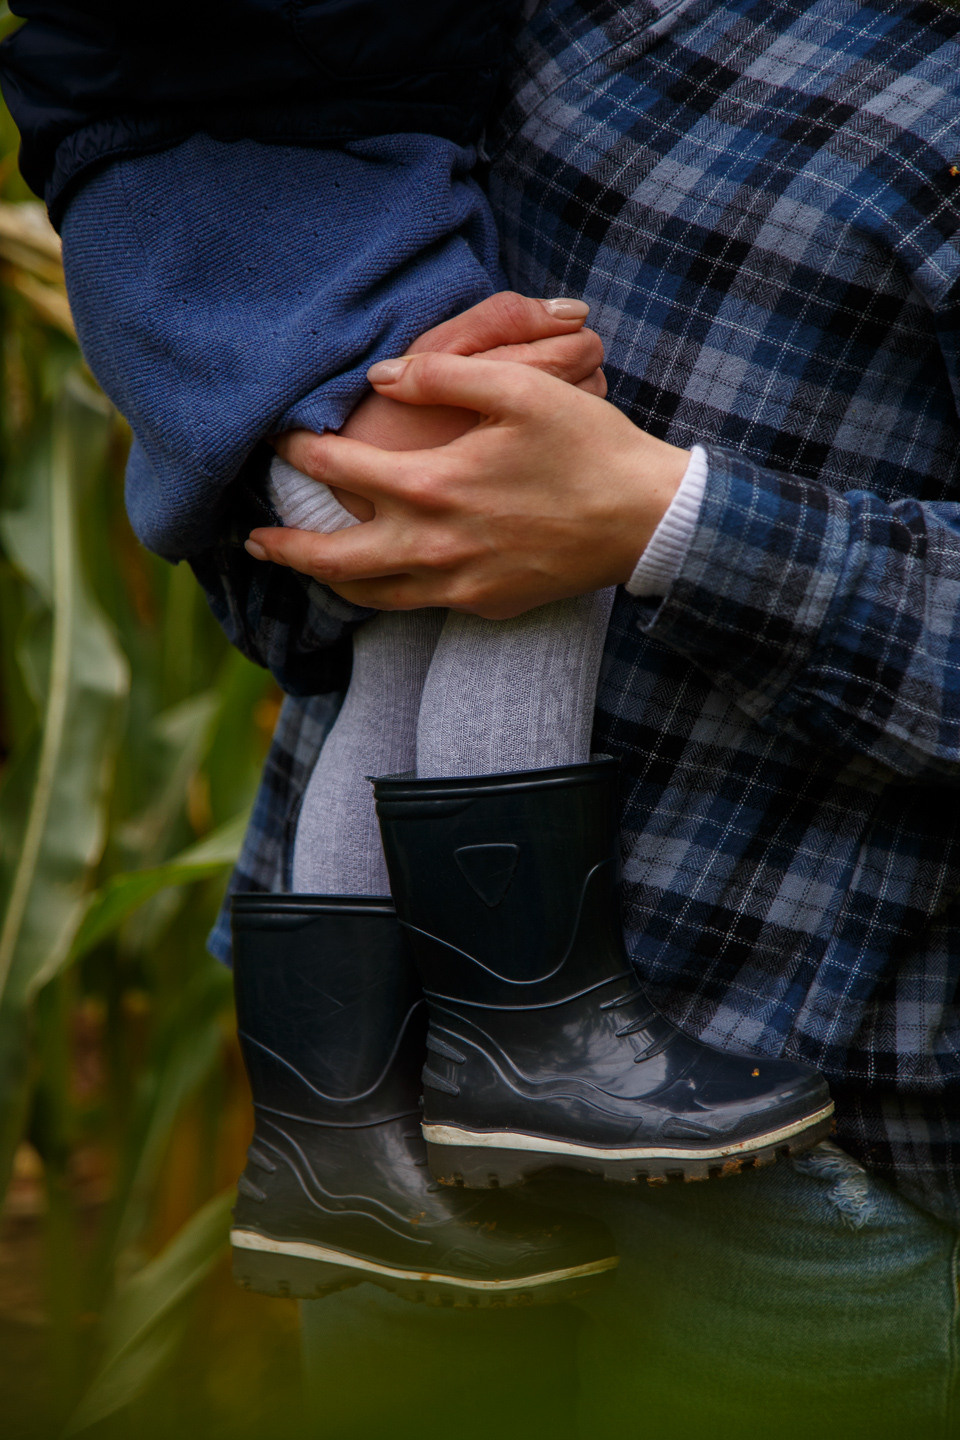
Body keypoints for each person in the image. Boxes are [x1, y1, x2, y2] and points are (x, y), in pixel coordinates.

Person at [3, 0, 959, 1434]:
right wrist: (321, 456)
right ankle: (383, 1108)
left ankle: (507, 1048)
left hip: (807, 1168)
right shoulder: (572, 16)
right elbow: (306, 589)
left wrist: (668, 519)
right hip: (399, 1097)